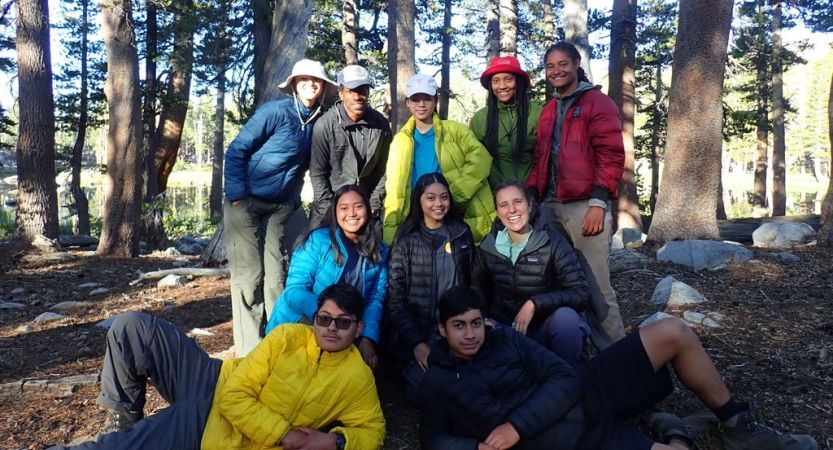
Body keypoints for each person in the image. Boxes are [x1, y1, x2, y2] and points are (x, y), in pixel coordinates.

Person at [419, 285, 818, 450]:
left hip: (588, 387)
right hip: (578, 437)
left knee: (673, 330)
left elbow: (562, 376)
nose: (471, 334)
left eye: (476, 323)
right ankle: (674, 430)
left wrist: (513, 428)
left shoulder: (503, 337)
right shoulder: (438, 380)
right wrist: (479, 446)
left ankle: (735, 425)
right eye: (459, 327)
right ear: (442, 329)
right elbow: (434, 438)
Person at [51, 283, 386, 450]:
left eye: (342, 323)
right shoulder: (288, 337)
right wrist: (286, 434)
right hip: (216, 378)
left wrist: (336, 442)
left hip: (218, 428)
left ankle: (119, 440)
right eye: (324, 319)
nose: (330, 328)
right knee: (131, 327)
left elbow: (373, 431)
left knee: (119, 448)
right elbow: (236, 392)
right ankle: (122, 416)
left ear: (358, 329)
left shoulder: (357, 377)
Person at [223, 59, 337, 357]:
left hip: (279, 207)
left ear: (323, 87)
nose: (311, 84)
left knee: (275, 278)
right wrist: (237, 195)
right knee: (249, 277)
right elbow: (237, 150)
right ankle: (250, 352)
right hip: (246, 202)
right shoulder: (275, 112)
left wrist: (292, 200)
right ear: (295, 83)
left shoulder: (320, 121)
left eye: (317, 80)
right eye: (305, 79)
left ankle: (277, 342)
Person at [526, 42, 626, 352]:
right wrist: (531, 197)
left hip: (584, 206)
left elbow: (611, 155)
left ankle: (617, 359)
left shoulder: (597, 102)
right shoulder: (549, 110)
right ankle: (576, 353)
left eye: (562, 64)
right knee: (560, 284)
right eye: (550, 66)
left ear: (576, 63)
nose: (556, 71)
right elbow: (542, 156)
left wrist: (598, 203)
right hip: (550, 207)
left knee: (596, 288)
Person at [266, 185, 388, 369]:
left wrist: (368, 337)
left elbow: (375, 297)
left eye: (358, 206)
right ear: (335, 212)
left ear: (367, 210)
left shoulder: (379, 250)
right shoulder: (317, 241)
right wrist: (327, 317)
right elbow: (294, 291)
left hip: (346, 326)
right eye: (344, 208)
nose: (352, 213)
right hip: (303, 320)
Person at [472, 179, 590, 366]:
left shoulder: (554, 243)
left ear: (529, 204)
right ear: (497, 212)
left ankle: (567, 379)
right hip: (504, 329)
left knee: (567, 320)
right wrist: (483, 319)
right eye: (504, 205)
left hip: (543, 328)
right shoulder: (488, 248)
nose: (512, 210)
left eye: (517, 202)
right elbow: (477, 292)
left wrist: (534, 303)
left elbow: (581, 293)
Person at [386, 172, 475, 404]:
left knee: (471, 384)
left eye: (444, 197)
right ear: (419, 201)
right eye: (431, 198)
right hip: (420, 332)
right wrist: (417, 343)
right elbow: (396, 301)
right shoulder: (406, 241)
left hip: (457, 328)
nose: (438, 204)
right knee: (426, 393)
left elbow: (472, 285)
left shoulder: (461, 234)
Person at [383, 73, 495, 244]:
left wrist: (455, 195)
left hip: (452, 214)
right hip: (416, 218)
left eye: (427, 98)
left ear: (435, 100)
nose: (421, 104)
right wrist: (390, 238)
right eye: (415, 99)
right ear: (407, 103)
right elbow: (394, 191)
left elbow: (481, 160)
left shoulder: (455, 131)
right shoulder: (399, 141)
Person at [308, 65, 392, 230]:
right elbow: (318, 174)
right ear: (341, 93)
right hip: (329, 208)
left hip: (366, 209)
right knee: (315, 251)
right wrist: (331, 210)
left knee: (376, 252)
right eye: (351, 91)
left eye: (362, 90)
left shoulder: (380, 124)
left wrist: (373, 204)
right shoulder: (325, 125)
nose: (357, 97)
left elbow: (385, 169)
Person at [469, 56, 543, 190]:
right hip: (495, 198)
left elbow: (546, 158)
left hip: (533, 194)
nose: (502, 86)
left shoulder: (537, 113)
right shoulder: (480, 118)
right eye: (496, 81)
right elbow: (474, 162)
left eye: (508, 79)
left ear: (518, 81)